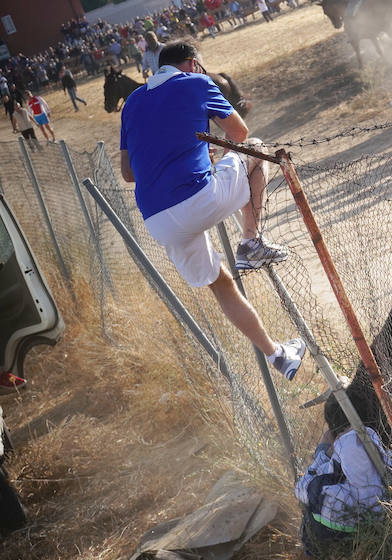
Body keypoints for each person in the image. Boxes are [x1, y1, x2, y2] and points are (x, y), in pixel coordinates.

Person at [119, 40, 306, 381]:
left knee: (221, 283)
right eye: (201, 67)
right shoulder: (196, 82)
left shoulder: (131, 102)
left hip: (158, 220)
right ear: (191, 64)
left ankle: (278, 355)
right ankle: (251, 240)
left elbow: (128, 173)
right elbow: (238, 132)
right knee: (256, 147)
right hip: (197, 198)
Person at [295, 426, 392, 559]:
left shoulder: (332, 494)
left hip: (322, 544)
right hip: (362, 538)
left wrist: (326, 455)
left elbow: (303, 488)